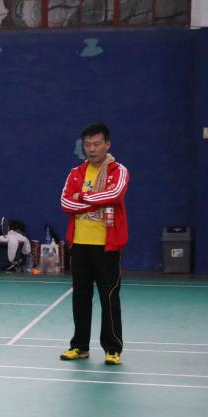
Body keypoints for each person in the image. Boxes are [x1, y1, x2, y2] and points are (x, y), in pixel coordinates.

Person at [59, 123, 130, 365]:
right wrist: (94, 201)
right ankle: (79, 346)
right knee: (80, 297)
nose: (91, 149)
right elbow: (65, 203)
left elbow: (114, 195)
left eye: (97, 144)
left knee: (108, 297)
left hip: (106, 246)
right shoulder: (75, 173)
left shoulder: (118, 171)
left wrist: (82, 197)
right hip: (79, 244)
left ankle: (112, 349)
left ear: (107, 144)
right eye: (87, 145)